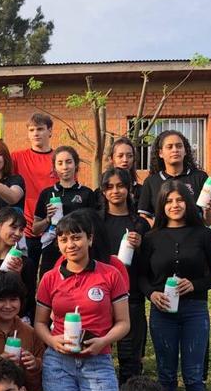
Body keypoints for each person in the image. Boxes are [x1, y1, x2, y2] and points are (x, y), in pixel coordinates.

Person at [35, 213, 130, 391]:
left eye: (76, 237)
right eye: (64, 239)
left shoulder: (110, 275)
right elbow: (40, 323)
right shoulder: (50, 278)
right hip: (59, 362)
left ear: (90, 239)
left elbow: (124, 323)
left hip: (97, 361)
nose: (70, 245)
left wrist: (103, 342)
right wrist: (52, 343)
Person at [137, 181, 211, 391]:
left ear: (188, 202)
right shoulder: (151, 238)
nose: (174, 205)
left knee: (194, 375)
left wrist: (194, 285)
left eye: (180, 200)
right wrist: (151, 294)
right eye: (169, 201)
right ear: (161, 205)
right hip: (162, 314)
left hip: (194, 311)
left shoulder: (204, 235)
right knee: (166, 375)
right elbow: (141, 276)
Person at [99, 166, 151, 386]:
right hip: (101, 295)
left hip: (132, 295)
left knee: (130, 357)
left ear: (130, 189)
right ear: (103, 191)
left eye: (121, 186)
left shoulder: (139, 224)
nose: (115, 191)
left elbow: (150, 263)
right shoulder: (97, 222)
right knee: (101, 354)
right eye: (109, 187)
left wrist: (141, 246)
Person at [33, 145, 99, 275]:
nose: (65, 167)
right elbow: (35, 229)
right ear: (54, 167)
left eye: (69, 162)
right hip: (51, 250)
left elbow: (94, 226)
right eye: (60, 163)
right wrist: (47, 219)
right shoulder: (47, 193)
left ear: (76, 165)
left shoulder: (86, 193)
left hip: (79, 249)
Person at [0, 272, 43, 391]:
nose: (8, 306)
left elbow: (35, 388)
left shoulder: (30, 332)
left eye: (13, 299)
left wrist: (34, 366)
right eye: (1, 300)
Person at [137, 130, 211, 227]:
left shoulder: (200, 177)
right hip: (164, 240)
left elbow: (209, 222)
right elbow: (144, 217)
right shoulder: (151, 182)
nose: (175, 150)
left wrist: (208, 210)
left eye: (179, 146)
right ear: (160, 153)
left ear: (185, 151)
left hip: (194, 237)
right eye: (169, 147)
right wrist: (161, 230)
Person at [9, 113, 56, 259]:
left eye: (40, 129)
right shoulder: (16, 157)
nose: (35, 133)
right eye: (31, 130)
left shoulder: (60, 160)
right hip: (24, 230)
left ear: (50, 131)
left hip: (53, 230)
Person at [107, 137, 143, 208]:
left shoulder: (142, 191)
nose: (125, 160)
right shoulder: (102, 190)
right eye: (120, 156)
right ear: (111, 159)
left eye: (130, 156)